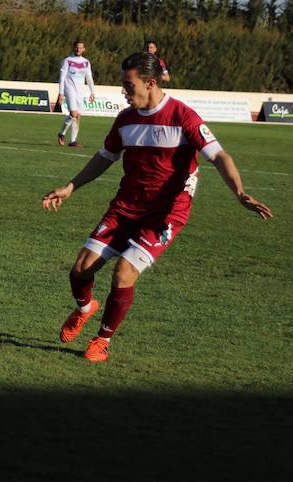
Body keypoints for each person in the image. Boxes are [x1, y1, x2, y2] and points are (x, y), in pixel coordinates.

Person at [42, 52, 272, 363]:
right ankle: (85, 309)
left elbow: (219, 156)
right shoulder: (125, 119)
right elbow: (104, 158)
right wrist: (71, 187)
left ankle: (102, 339)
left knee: (123, 273)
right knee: (81, 269)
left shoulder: (182, 116)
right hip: (126, 207)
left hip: (165, 214)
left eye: (128, 84)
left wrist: (240, 192)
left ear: (150, 83)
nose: (124, 91)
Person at [55, 39, 95, 147]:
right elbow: (62, 78)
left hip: (80, 92)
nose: (78, 49)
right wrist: (61, 93)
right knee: (73, 114)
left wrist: (92, 92)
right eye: (77, 47)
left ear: (84, 49)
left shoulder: (86, 62)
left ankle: (73, 141)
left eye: (80, 47)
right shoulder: (67, 61)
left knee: (77, 117)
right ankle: (62, 133)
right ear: (74, 48)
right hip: (69, 90)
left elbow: (89, 78)